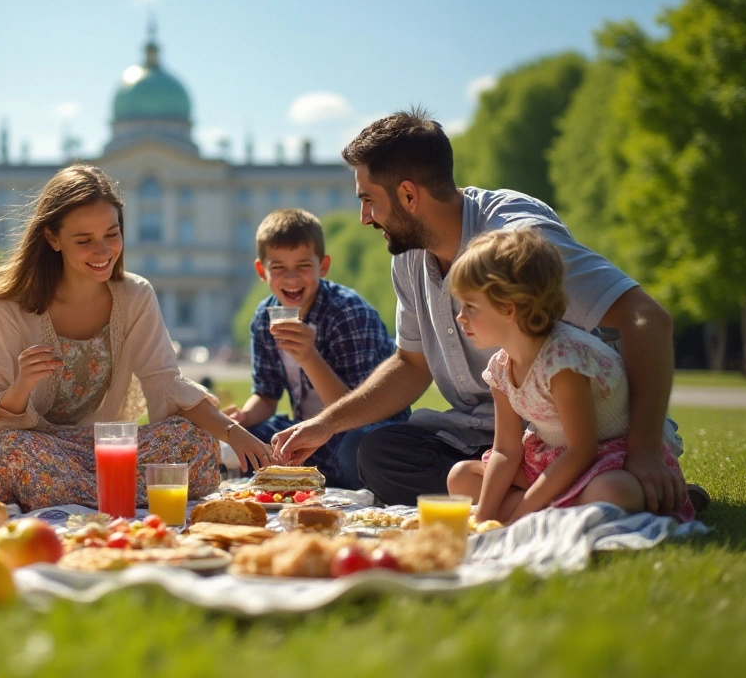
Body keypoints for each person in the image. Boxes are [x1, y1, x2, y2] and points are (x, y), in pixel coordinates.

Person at [273, 108, 697, 516]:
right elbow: (411, 364)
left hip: (576, 432)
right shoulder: (407, 257)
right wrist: (325, 424)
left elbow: (648, 319)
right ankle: (564, 495)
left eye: (368, 200)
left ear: (408, 195)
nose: (364, 217)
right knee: (373, 453)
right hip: (492, 438)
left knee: (414, 466)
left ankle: (611, 484)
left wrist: (643, 450)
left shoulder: (518, 242)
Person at [0, 164, 272, 512]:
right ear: (52, 238)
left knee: (194, 442)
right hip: (31, 447)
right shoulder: (6, 309)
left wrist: (231, 431)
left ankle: (76, 492)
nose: (103, 251)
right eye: (84, 241)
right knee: (3, 456)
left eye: (112, 234)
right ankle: (116, 492)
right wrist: (22, 385)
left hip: (99, 449)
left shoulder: (136, 295)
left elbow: (165, 382)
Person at [443, 230, 694, 523]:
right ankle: (557, 513)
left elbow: (581, 451)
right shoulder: (501, 367)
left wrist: (517, 516)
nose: (460, 317)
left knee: (614, 492)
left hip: (604, 461)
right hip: (551, 460)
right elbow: (505, 450)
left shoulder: (563, 359)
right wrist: (482, 520)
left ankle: (542, 513)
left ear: (508, 309)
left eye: (470, 306)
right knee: (460, 477)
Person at [224, 208, 409, 489]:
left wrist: (309, 357)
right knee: (242, 438)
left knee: (356, 450)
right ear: (262, 271)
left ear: (323, 266)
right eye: (278, 268)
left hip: (362, 427)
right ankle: (299, 474)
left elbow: (356, 409)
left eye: (303, 266)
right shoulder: (266, 317)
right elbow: (266, 394)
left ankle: (326, 478)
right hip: (308, 429)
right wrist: (244, 418)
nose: (292, 278)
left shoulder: (347, 313)